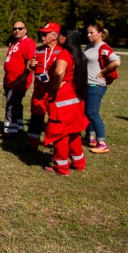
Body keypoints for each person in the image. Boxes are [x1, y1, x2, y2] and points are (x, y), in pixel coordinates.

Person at [43, 27, 89, 175]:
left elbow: (59, 71)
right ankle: (79, 163)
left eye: (60, 36)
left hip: (63, 99)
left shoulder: (64, 53)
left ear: (65, 37)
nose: (58, 38)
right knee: (74, 132)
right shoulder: (79, 54)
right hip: (76, 98)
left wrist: (55, 85)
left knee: (60, 134)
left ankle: (61, 167)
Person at [23, 23, 63, 152]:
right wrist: (31, 66)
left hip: (54, 92)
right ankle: (31, 144)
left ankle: (55, 144)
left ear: (55, 36)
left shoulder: (62, 52)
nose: (42, 36)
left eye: (45, 34)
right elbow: (29, 68)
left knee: (55, 120)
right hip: (39, 90)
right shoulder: (39, 50)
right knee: (36, 117)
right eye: (42, 34)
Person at [84, 24, 121, 154]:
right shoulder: (89, 46)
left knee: (92, 113)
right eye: (87, 33)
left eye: (92, 33)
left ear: (100, 33)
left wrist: (103, 72)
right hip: (87, 84)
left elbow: (116, 61)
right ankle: (91, 137)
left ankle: (102, 143)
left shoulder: (103, 47)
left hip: (97, 85)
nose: (88, 35)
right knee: (86, 112)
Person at [2, 21, 36, 137]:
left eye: (20, 28)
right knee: (16, 104)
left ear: (25, 30)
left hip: (18, 81)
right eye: (15, 28)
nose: (17, 30)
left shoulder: (28, 43)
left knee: (11, 104)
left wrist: (23, 77)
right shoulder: (15, 43)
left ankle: (10, 130)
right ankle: (18, 126)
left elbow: (30, 62)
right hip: (9, 80)